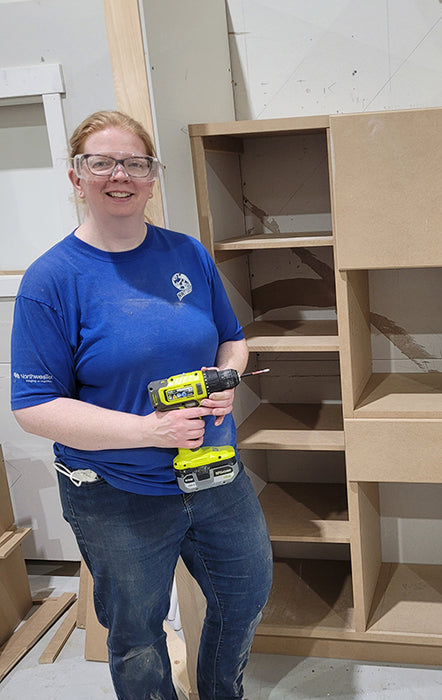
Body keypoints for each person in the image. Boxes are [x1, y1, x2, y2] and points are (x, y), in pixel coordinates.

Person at [10, 110, 273, 700]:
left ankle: (219, 692)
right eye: (101, 163)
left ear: (153, 177)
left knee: (244, 595)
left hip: (214, 473)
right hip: (114, 492)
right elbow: (32, 406)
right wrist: (147, 430)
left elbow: (232, 337)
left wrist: (226, 376)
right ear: (77, 178)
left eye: (134, 163)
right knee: (134, 633)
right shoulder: (52, 280)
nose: (119, 175)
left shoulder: (188, 255)